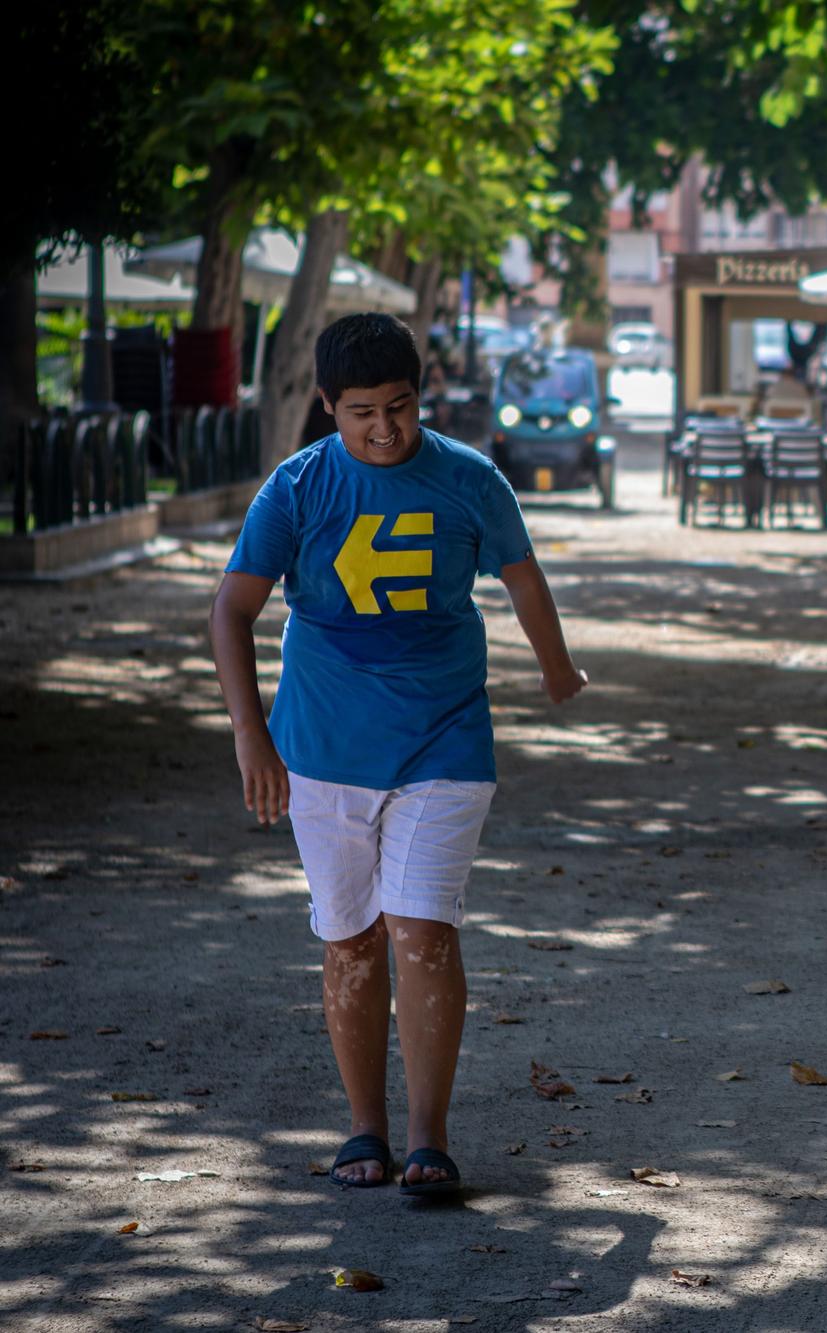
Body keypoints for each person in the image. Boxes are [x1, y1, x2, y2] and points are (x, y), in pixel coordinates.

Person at [208, 313, 587, 1198]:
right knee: (351, 941)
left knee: (421, 929)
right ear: (326, 406)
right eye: (363, 412)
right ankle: (363, 1128)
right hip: (322, 746)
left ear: (425, 396)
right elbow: (232, 610)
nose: (386, 429)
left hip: (444, 739)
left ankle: (428, 1138)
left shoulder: (469, 478)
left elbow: (522, 576)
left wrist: (557, 666)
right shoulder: (296, 489)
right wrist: (249, 732)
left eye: (403, 407)